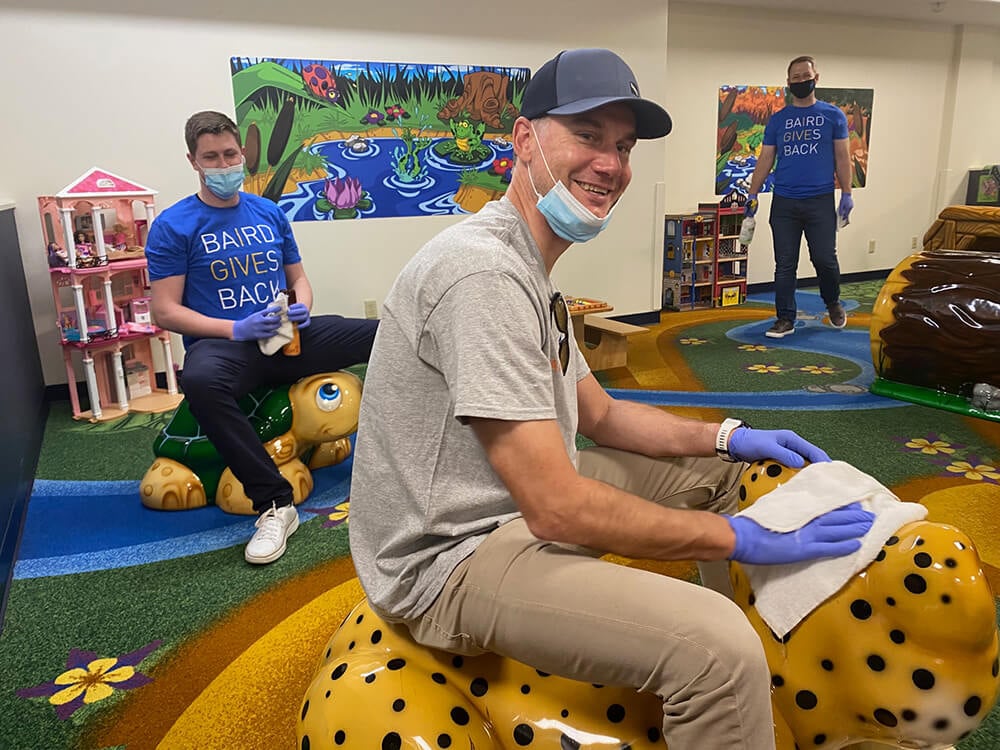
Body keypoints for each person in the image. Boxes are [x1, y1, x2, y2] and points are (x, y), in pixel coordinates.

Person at [348, 48, 874, 749]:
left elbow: (599, 416)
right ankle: (722, 672)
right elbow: (556, 506)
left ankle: (731, 685)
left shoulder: (531, 271)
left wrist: (729, 436)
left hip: (504, 498)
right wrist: (740, 538)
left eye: (622, 146)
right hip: (452, 557)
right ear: (526, 140)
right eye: (588, 136)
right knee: (718, 650)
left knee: (728, 477)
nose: (611, 164)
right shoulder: (481, 274)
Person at [145, 111, 377, 565]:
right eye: (211, 156)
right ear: (193, 160)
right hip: (225, 344)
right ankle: (275, 504)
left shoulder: (269, 212)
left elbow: (300, 279)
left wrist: (302, 306)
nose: (224, 163)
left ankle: (411, 450)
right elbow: (165, 309)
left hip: (283, 335)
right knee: (201, 382)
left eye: (230, 154)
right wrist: (236, 329)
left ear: (243, 154)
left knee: (387, 335)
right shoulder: (174, 225)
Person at [745, 55, 854, 339]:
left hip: (819, 200)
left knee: (824, 259)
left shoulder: (833, 116)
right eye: (795, 78)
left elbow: (843, 157)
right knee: (785, 263)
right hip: (784, 202)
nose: (801, 81)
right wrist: (753, 194)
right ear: (788, 82)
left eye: (806, 76)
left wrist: (847, 192)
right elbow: (766, 158)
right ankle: (785, 318)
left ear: (816, 78)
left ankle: (833, 302)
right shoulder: (778, 120)